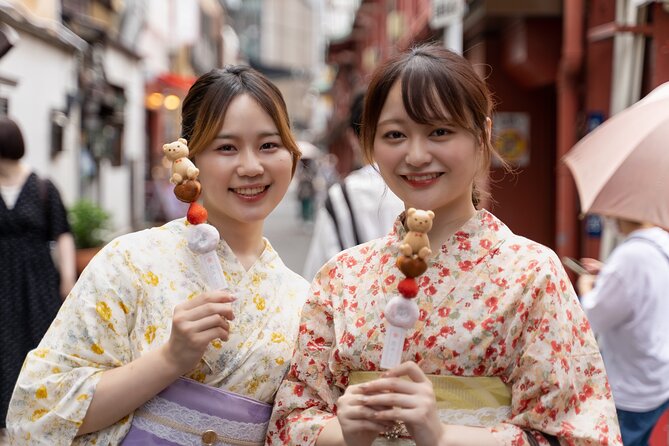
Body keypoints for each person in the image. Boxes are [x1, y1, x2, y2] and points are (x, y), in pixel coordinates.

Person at [267, 44, 621, 445]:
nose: (416, 155)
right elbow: (290, 420)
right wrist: (343, 430)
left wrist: (438, 433)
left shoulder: (532, 273)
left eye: (440, 131)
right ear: (372, 147)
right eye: (395, 135)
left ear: (483, 135)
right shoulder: (341, 276)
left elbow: (578, 434)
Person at [6, 65, 310, 444]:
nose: (251, 166)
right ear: (188, 157)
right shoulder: (130, 262)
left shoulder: (305, 299)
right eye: (226, 147)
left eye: (269, 145)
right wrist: (170, 359)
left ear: (292, 155)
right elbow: (36, 413)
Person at [0, 116, 76, 438]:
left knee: (39, 345)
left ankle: (43, 415)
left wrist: (68, 280)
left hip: (38, 281)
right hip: (2, 281)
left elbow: (63, 234)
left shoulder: (43, 187)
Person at [576, 217, 669, 446]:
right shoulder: (662, 242)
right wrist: (609, 274)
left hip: (631, 386)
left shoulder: (630, 256)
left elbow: (591, 318)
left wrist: (586, 288)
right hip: (658, 374)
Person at [302, 92, 404, 280]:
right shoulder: (418, 186)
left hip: (354, 301)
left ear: (351, 136)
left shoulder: (341, 195)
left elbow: (317, 273)